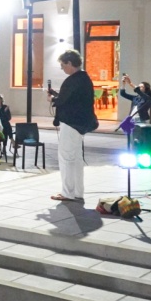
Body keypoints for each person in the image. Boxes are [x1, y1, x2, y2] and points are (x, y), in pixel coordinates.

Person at [48, 49, 97, 202]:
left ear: (70, 63)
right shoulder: (84, 78)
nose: (62, 69)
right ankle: (77, 192)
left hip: (71, 122)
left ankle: (67, 192)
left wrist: (53, 99)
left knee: (66, 157)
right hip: (81, 123)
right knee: (76, 158)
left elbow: (64, 101)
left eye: (63, 65)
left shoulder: (74, 80)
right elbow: (71, 98)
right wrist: (57, 96)